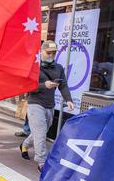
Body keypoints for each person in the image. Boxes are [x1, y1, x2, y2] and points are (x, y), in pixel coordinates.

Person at [20, 40, 74, 172]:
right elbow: (25, 86)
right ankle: (42, 162)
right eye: (48, 52)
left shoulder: (59, 68)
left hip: (50, 105)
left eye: (54, 53)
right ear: (41, 51)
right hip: (35, 104)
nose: (51, 55)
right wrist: (44, 85)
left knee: (41, 131)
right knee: (41, 134)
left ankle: (25, 144)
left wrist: (68, 99)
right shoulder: (33, 67)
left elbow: (63, 85)